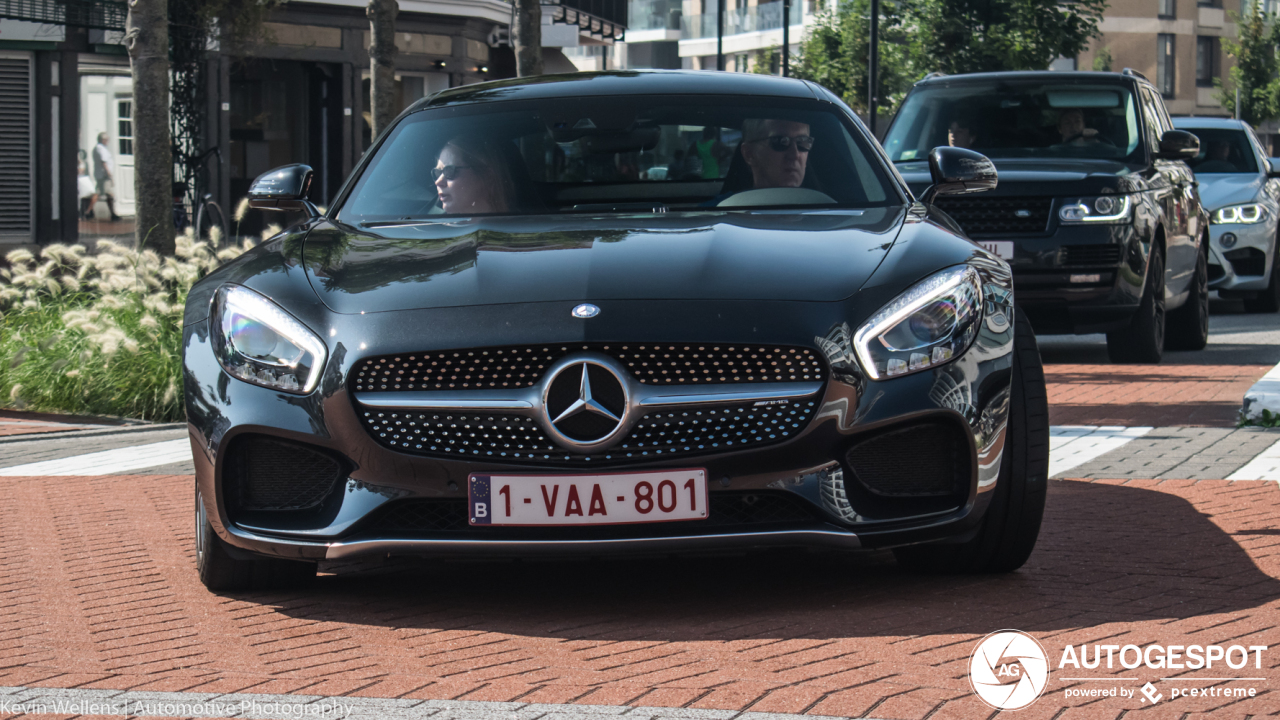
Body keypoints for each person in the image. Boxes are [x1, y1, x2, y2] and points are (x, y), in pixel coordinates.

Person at [433, 134, 516, 214]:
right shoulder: (436, 225)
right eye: (438, 172)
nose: (438, 182)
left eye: (450, 171)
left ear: (487, 176)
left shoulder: (516, 226)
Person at [739, 118, 812, 189]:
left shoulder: (819, 200)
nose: (795, 155)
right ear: (749, 154)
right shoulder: (731, 201)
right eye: (780, 142)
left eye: (803, 142)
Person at [89, 132, 122, 221]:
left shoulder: (97, 148)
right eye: (107, 140)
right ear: (103, 140)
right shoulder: (101, 149)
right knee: (110, 194)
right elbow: (104, 162)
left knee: (98, 192)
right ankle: (112, 213)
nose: (108, 141)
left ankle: (89, 211)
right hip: (104, 175)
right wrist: (109, 175)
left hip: (101, 174)